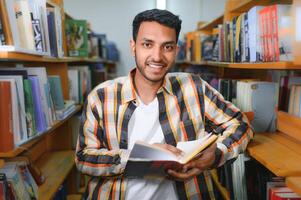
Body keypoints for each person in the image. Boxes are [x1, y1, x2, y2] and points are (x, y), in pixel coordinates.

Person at [75, 9, 253, 200]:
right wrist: (138, 157)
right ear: (133, 46)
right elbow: (84, 158)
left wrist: (217, 153)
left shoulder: (194, 87)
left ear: (176, 51)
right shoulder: (101, 96)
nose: (157, 56)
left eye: (167, 47)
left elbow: (240, 125)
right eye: (147, 44)